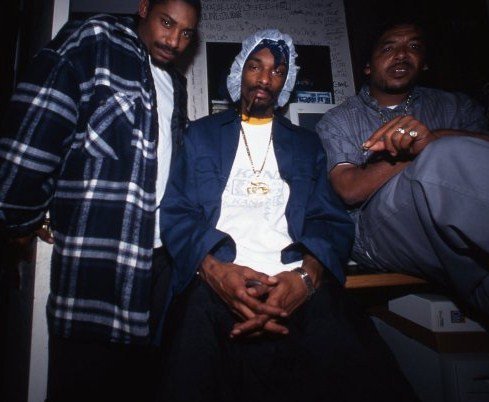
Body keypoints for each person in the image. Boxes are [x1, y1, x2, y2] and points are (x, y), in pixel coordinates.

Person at [158, 29, 417, 402]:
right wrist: (215, 273)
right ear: (240, 71)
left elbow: (330, 220)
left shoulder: (307, 144)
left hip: (293, 280)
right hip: (216, 280)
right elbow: (177, 212)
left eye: (277, 71)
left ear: (287, 81)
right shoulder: (199, 135)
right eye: (255, 66)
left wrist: (307, 279)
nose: (265, 78)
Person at [0, 0, 200, 401]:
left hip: (160, 261)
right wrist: (20, 216)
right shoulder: (95, 39)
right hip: (99, 259)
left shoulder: (175, 84)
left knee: (142, 383)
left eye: (186, 34)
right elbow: (37, 126)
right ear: (143, 8)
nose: (174, 40)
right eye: (166, 23)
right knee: (85, 382)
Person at [316, 20, 489, 326]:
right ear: (367, 66)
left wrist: (436, 136)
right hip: (377, 230)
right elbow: (348, 190)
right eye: (389, 48)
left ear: (425, 62)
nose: (401, 54)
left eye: (413, 46)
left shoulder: (456, 106)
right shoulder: (339, 120)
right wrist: (417, 152)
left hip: (457, 236)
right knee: (444, 156)